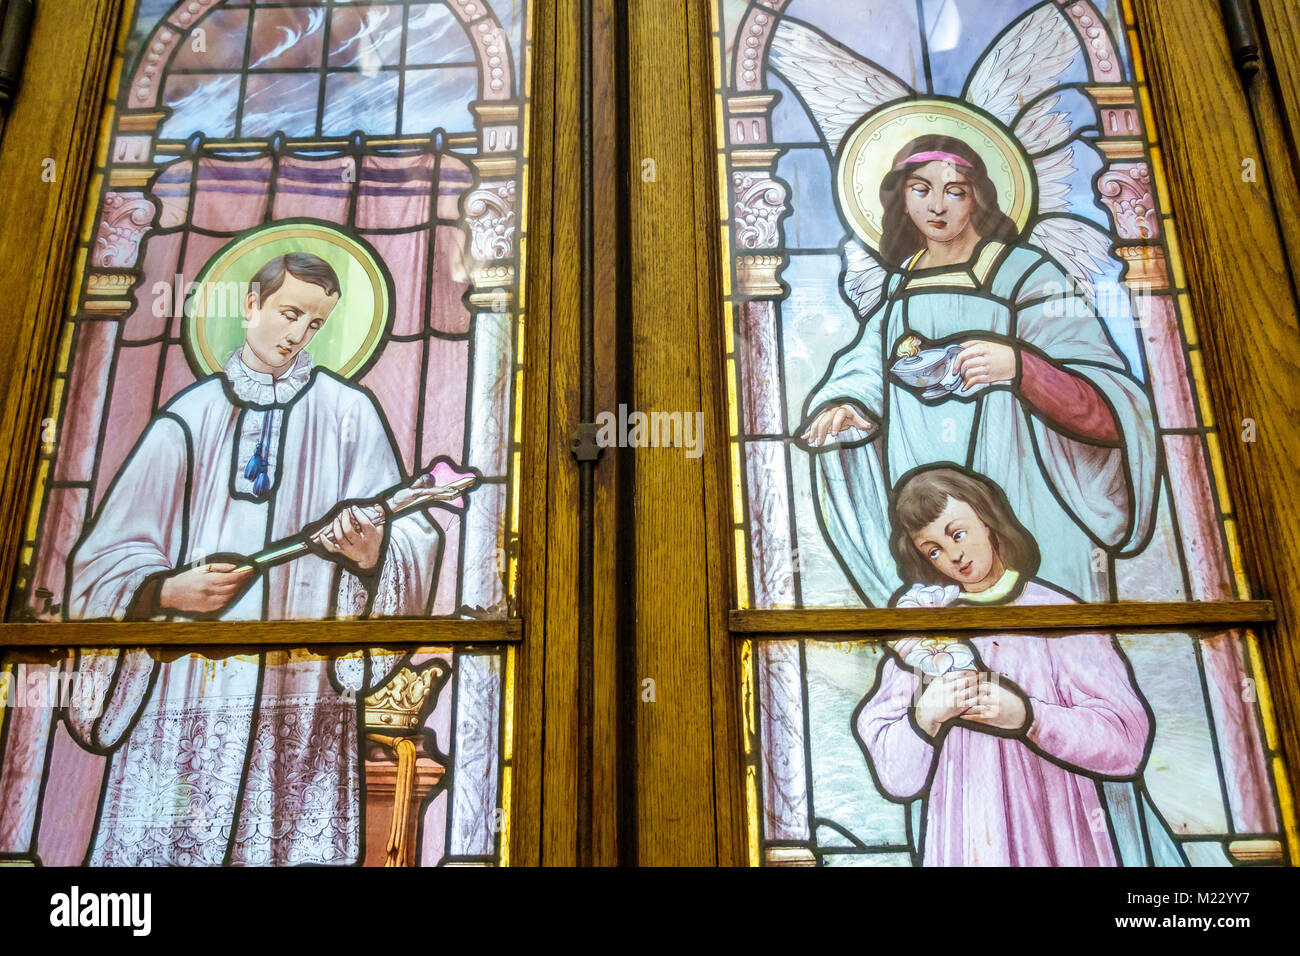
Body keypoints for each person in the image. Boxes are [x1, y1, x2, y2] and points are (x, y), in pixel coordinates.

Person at [62, 252, 441, 865]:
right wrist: (164, 592)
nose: (297, 334)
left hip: (299, 695)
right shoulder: (187, 419)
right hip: (181, 694)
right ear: (250, 305)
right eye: (289, 313)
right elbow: (104, 559)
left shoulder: (351, 416)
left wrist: (372, 555)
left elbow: (411, 538)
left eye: (315, 325)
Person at [800, 134, 1158, 606]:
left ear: (978, 199)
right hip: (924, 491)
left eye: (955, 190)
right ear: (901, 199)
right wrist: (850, 404)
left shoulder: (1028, 273)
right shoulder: (899, 288)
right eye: (920, 189)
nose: (937, 206)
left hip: (1027, 486)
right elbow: (869, 362)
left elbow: (1107, 405)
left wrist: (1021, 367)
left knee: (1047, 629)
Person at [855, 467, 1183, 866]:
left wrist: (1029, 718)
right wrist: (925, 717)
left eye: (958, 534)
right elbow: (895, 776)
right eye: (934, 550)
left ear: (988, 520)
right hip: (966, 836)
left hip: (1058, 833)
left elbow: (1126, 741)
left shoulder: (1057, 615)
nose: (954, 556)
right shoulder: (925, 636)